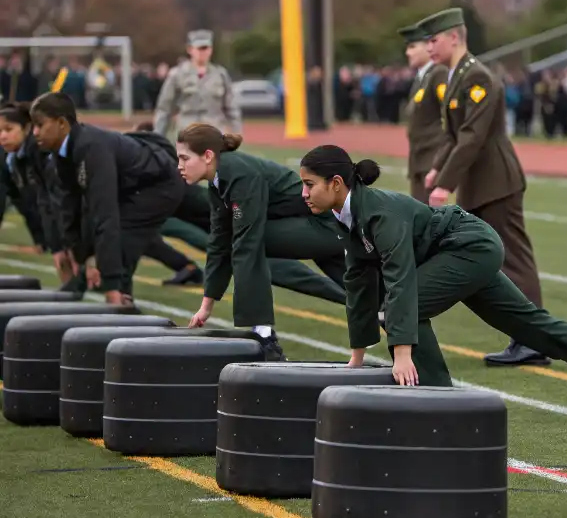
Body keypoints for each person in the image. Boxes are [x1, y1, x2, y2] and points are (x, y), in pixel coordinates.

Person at [297, 145, 567, 415]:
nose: (303, 193)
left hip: (469, 246)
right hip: (457, 252)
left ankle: (437, 403)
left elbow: (401, 281)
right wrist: (357, 358)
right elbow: (358, 283)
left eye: (309, 185)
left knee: (401, 305)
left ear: (337, 183)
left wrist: (403, 354)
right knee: (531, 325)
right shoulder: (344, 214)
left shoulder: (379, 213)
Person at [416, 7, 548, 368]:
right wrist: (437, 167)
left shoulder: (477, 77)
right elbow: (453, 134)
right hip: (481, 183)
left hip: (496, 183)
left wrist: (445, 184)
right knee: (497, 263)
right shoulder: (458, 75)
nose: (429, 47)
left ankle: (533, 340)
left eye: (434, 39)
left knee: (515, 261)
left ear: (454, 37)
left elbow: (472, 136)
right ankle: (522, 336)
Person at [175, 123, 347, 361]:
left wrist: (259, 326)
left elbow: (244, 241)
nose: (179, 166)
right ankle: (388, 312)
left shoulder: (238, 173)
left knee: (246, 243)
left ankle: (265, 337)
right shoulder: (219, 181)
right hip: (312, 224)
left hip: (328, 226)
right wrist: (207, 305)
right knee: (369, 295)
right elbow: (218, 242)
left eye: (184, 158)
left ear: (207, 156)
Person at [31, 92, 185, 304]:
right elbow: (70, 206)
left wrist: (110, 282)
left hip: (158, 188)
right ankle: (109, 296)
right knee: (104, 241)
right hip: (134, 187)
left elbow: (105, 214)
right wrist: (78, 253)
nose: (35, 132)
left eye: (40, 125)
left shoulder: (91, 148)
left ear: (61, 123)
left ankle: (120, 302)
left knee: (120, 241)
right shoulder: (62, 154)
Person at [153, 30, 242, 137]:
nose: (202, 52)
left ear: (211, 50)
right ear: (190, 49)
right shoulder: (177, 74)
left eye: (206, 48)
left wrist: (236, 133)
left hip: (214, 134)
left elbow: (231, 107)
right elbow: (165, 108)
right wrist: (158, 135)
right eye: (199, 48)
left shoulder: (220, 75)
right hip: (187, 134)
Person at [398, 24, 451, 204]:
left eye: (413, 47)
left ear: (428, 47)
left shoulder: (439, 73)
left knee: (431, 221)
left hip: (431, 159)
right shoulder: (423, 77)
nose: (408, 52)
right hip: (419, 159)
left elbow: (450, 111)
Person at [0, 103, 49, 252]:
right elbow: (23, 203)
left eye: (9, 129)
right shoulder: (9, 158)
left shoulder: (41, 152)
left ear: (27, 128)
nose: (2, 136)